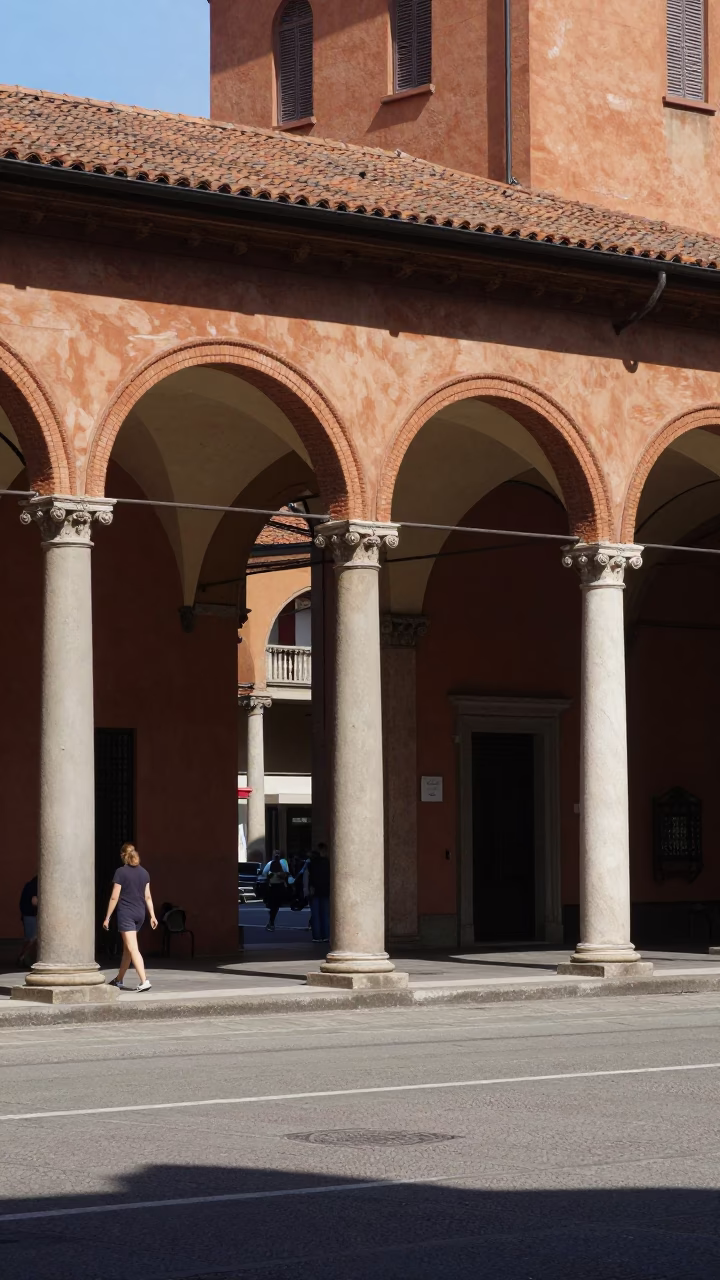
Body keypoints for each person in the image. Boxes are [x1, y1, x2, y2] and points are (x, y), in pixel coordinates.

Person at [103, 843, 157, 991]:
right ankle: (119, 980)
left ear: (123, 856)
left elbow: (114, 897)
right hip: (140, 914)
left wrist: (107, 917)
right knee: (128, 949)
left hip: (126, 913)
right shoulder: (145, 873)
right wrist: (152, 916)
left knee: (133, 948)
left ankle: (144, 980)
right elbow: (148, 897)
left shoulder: (120, 872)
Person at [304, 847, 330, 943]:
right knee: (325, 914)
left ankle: (316, 936)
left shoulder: (310, 864)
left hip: (314, 891)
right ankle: (326, 935)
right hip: (325, 891)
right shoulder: (327, 863)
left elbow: (306, 878)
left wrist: (306, 891)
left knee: (315, 915)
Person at [260, 851, 289, 931]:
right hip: (275, 886)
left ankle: (271, 921)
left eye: (278, 853)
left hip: (275, 886)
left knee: (274, 905)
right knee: (274, 905)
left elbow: (264, 873)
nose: (276, 855)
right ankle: (271, 921)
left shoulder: (280, 863)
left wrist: (278, 875)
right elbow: (264, 873)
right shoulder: (280, 863)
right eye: (275, 854)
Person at [17, 874, 38, 968]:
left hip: (28, 915)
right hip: (31, 916)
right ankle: (22, 958)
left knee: (30, 939)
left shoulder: (30, 885)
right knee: (31, 939)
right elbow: (34, 901)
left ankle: (23, 957)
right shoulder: (34, 887)